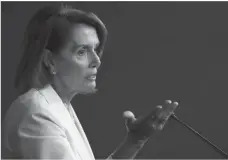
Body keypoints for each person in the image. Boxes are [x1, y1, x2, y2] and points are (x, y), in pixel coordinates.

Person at [2, 4, 179, 159]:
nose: (97, 60)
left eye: (95, 49)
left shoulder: (57, 106)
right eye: (82, 51)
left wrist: (135, 141)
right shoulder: (37, 114)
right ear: (50, 60)